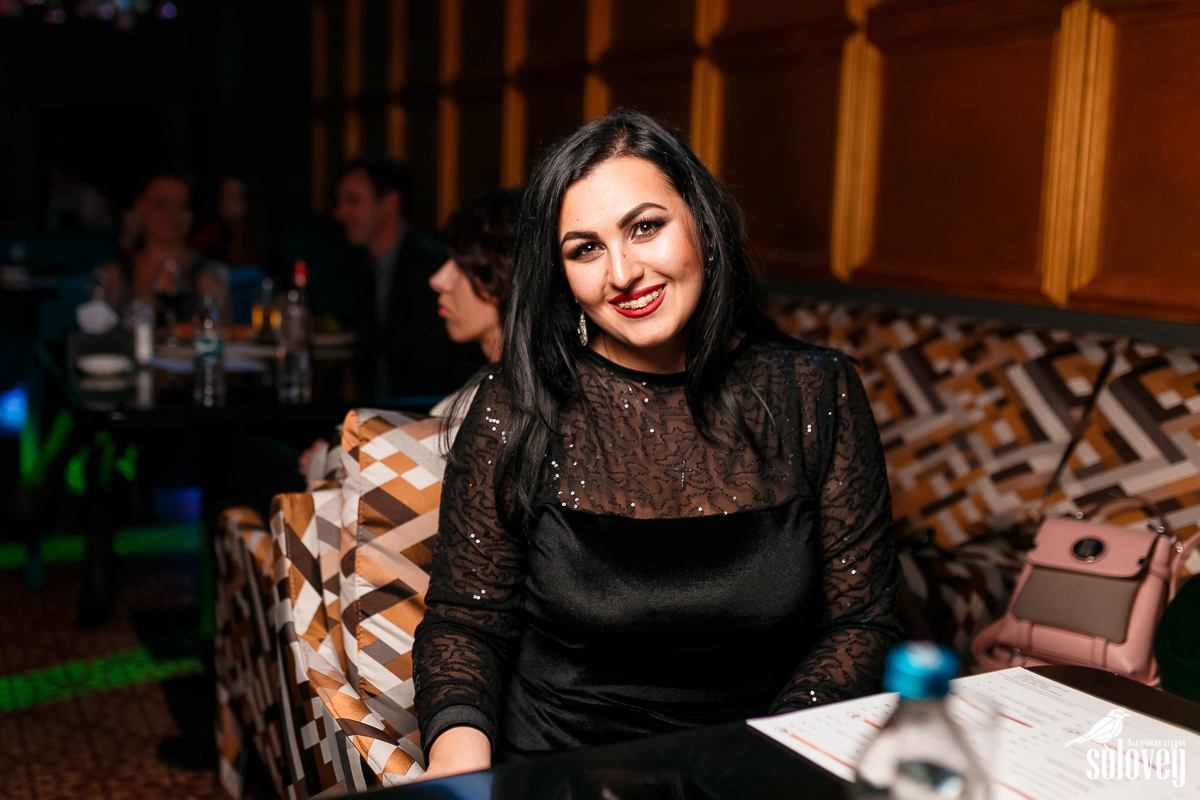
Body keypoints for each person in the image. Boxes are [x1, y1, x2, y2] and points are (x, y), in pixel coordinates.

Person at [412, 109, 901, 779]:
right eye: (585, 249)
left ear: (702, 222)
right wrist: (457, 769)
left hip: (760, 770)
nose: (622, 273)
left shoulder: (817, 391)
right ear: (560, 274)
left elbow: (863, 622)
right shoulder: (515, 403)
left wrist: (771, 758)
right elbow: (467, 624)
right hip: (563, 775)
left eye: (645, 227)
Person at [334, 156, 483, 399]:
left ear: (390, 203)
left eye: (353, 201)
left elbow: (432, 366)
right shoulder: (360, 264)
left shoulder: (431, 264)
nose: (340, 213)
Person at [101, 171, 230, 320]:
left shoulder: (210, 274)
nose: (172, 214)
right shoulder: (113, 276)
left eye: (182, 206)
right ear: (140, 208)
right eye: (162, 205)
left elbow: (218, 328)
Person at [190, 175, 266, 267]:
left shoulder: (263, 242)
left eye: (234, 198)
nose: (228, 204)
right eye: (224, 197)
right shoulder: (210, 235)